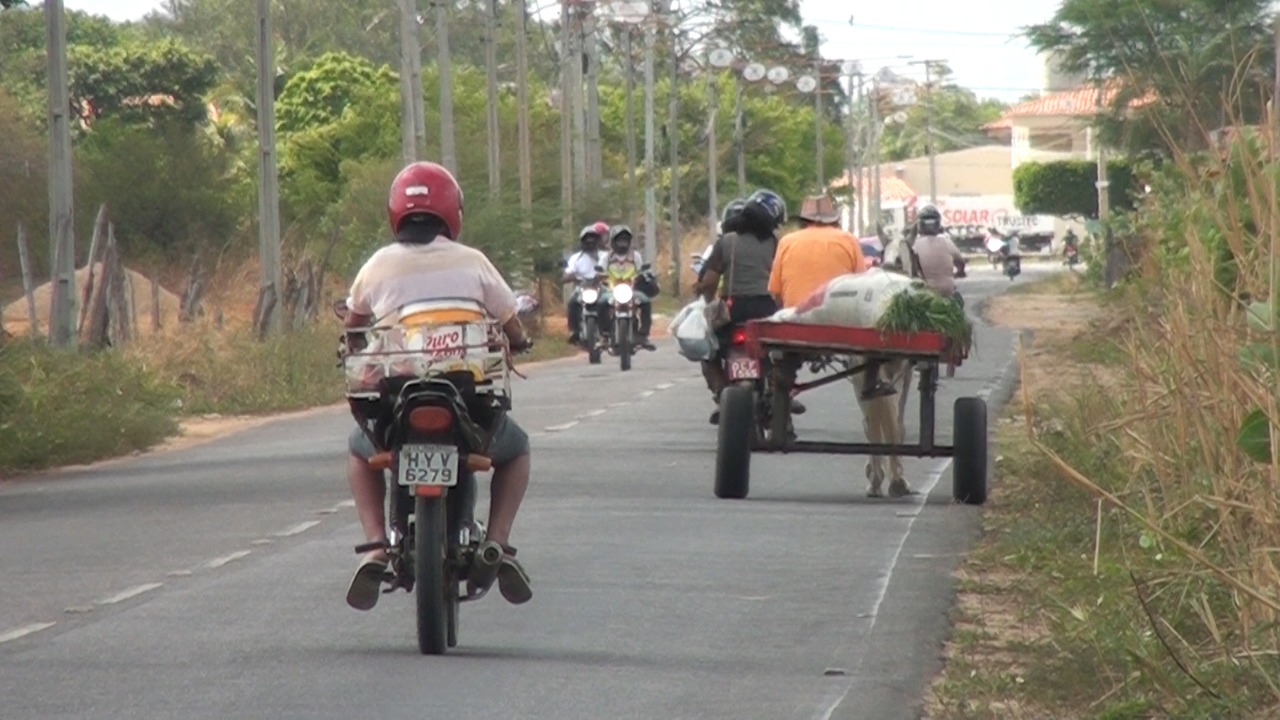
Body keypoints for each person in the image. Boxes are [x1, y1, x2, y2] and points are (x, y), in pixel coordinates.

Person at [342, 160, 534, 611]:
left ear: (395, 214)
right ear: (453, 212)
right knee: (517, 448)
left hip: (399, 394)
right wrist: (521, 342)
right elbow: (511, 324)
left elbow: (353, 327)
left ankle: (374, 547)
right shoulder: (474, 261)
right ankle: (499, 544)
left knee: (358, 450)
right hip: (467, 396)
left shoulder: (377, 265)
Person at [698, 188, 805, 425]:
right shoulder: (776, 245)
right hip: (766, 311)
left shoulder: (727, 242)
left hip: (732, 311)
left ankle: (720, 395)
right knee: (783, 354)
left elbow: (708, 282)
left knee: (708, 352)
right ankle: (783, 394)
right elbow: (783, 282)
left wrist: (711, 303)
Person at [768, 194, 886, 399]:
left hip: (797, 319)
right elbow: (862, 285)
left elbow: (775, 291)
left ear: (804, 221)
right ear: (833, 219)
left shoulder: (787, 241)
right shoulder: (847, 239)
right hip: (840, 319)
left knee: (780, 365)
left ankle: (779, 397)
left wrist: (790, 313)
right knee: (873, 343)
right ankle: (870, 382)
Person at [602, 224, 656, 350]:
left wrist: (643, 275)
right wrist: (600, 275)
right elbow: (600, 270)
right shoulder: (607, 257)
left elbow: (641, 270)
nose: (622, 243)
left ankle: (643, 334)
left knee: (646, 301)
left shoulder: (635, 255)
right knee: (601, 303)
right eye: (619, 240)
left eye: (625, 240)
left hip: (631, 290)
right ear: (613, 241)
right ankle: (604, 335)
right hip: (612, 290)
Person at [908, 204, 967, 298]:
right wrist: (960, 272)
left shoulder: (913, 245)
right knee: (958, 301)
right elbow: (960, 262)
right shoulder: (947, 242)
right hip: (946, 291)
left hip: (922, 293)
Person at [563, 222, 608, 344]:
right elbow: (568, 272)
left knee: (609, 301)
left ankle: (608, 329)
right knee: (572, 302)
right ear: (582, 241)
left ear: (598, 240)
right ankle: (574, 331)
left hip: (601, 286)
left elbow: (611, 269)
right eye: (587, 239)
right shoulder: (576, 258)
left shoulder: (605, 256)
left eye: (593, 238)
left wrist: (607, 276)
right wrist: (569, 276)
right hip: (583, 287)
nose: (590, 242)